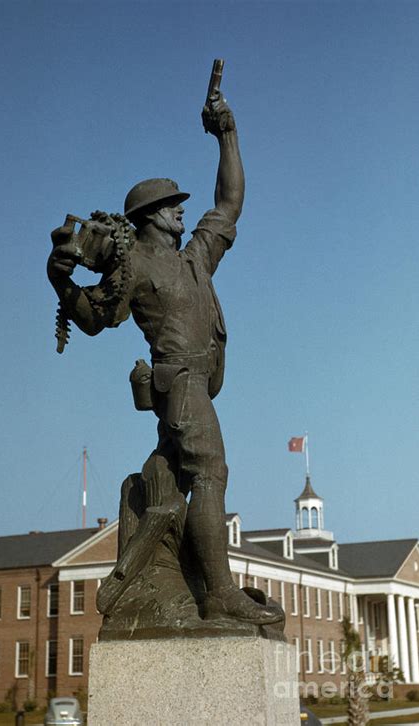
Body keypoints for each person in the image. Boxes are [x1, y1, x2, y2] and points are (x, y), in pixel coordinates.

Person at [47, 93, 281, 625]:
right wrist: (60, 280)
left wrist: (226, 134)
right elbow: (94, 318)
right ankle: (219, 594)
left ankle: (162, 579)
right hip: (179, 387)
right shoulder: (137, 270)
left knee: (164, 485)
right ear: (151, 217)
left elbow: (229, 203)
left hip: (201, 381)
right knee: (210, 471)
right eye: (173, 203)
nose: (182, 208)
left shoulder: (194, 257)